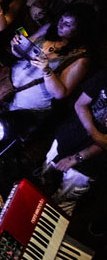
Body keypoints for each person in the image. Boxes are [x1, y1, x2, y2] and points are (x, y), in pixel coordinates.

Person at [36, 68, 107, 215]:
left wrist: (78, 157)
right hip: (68, 137)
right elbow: (80, 104)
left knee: (61, 203)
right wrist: (96, 134)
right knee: (43, 180)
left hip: (90, 163)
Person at [0, 4, 93, 114]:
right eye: (61, 19)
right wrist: (16, 46)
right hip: (6, 87)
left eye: (67, 24)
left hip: (27, 105)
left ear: (79, 30)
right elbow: (20, 54)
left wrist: (47, 71)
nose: (60, 25)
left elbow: (60, 94)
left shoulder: (80, 58)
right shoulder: (48, 28)